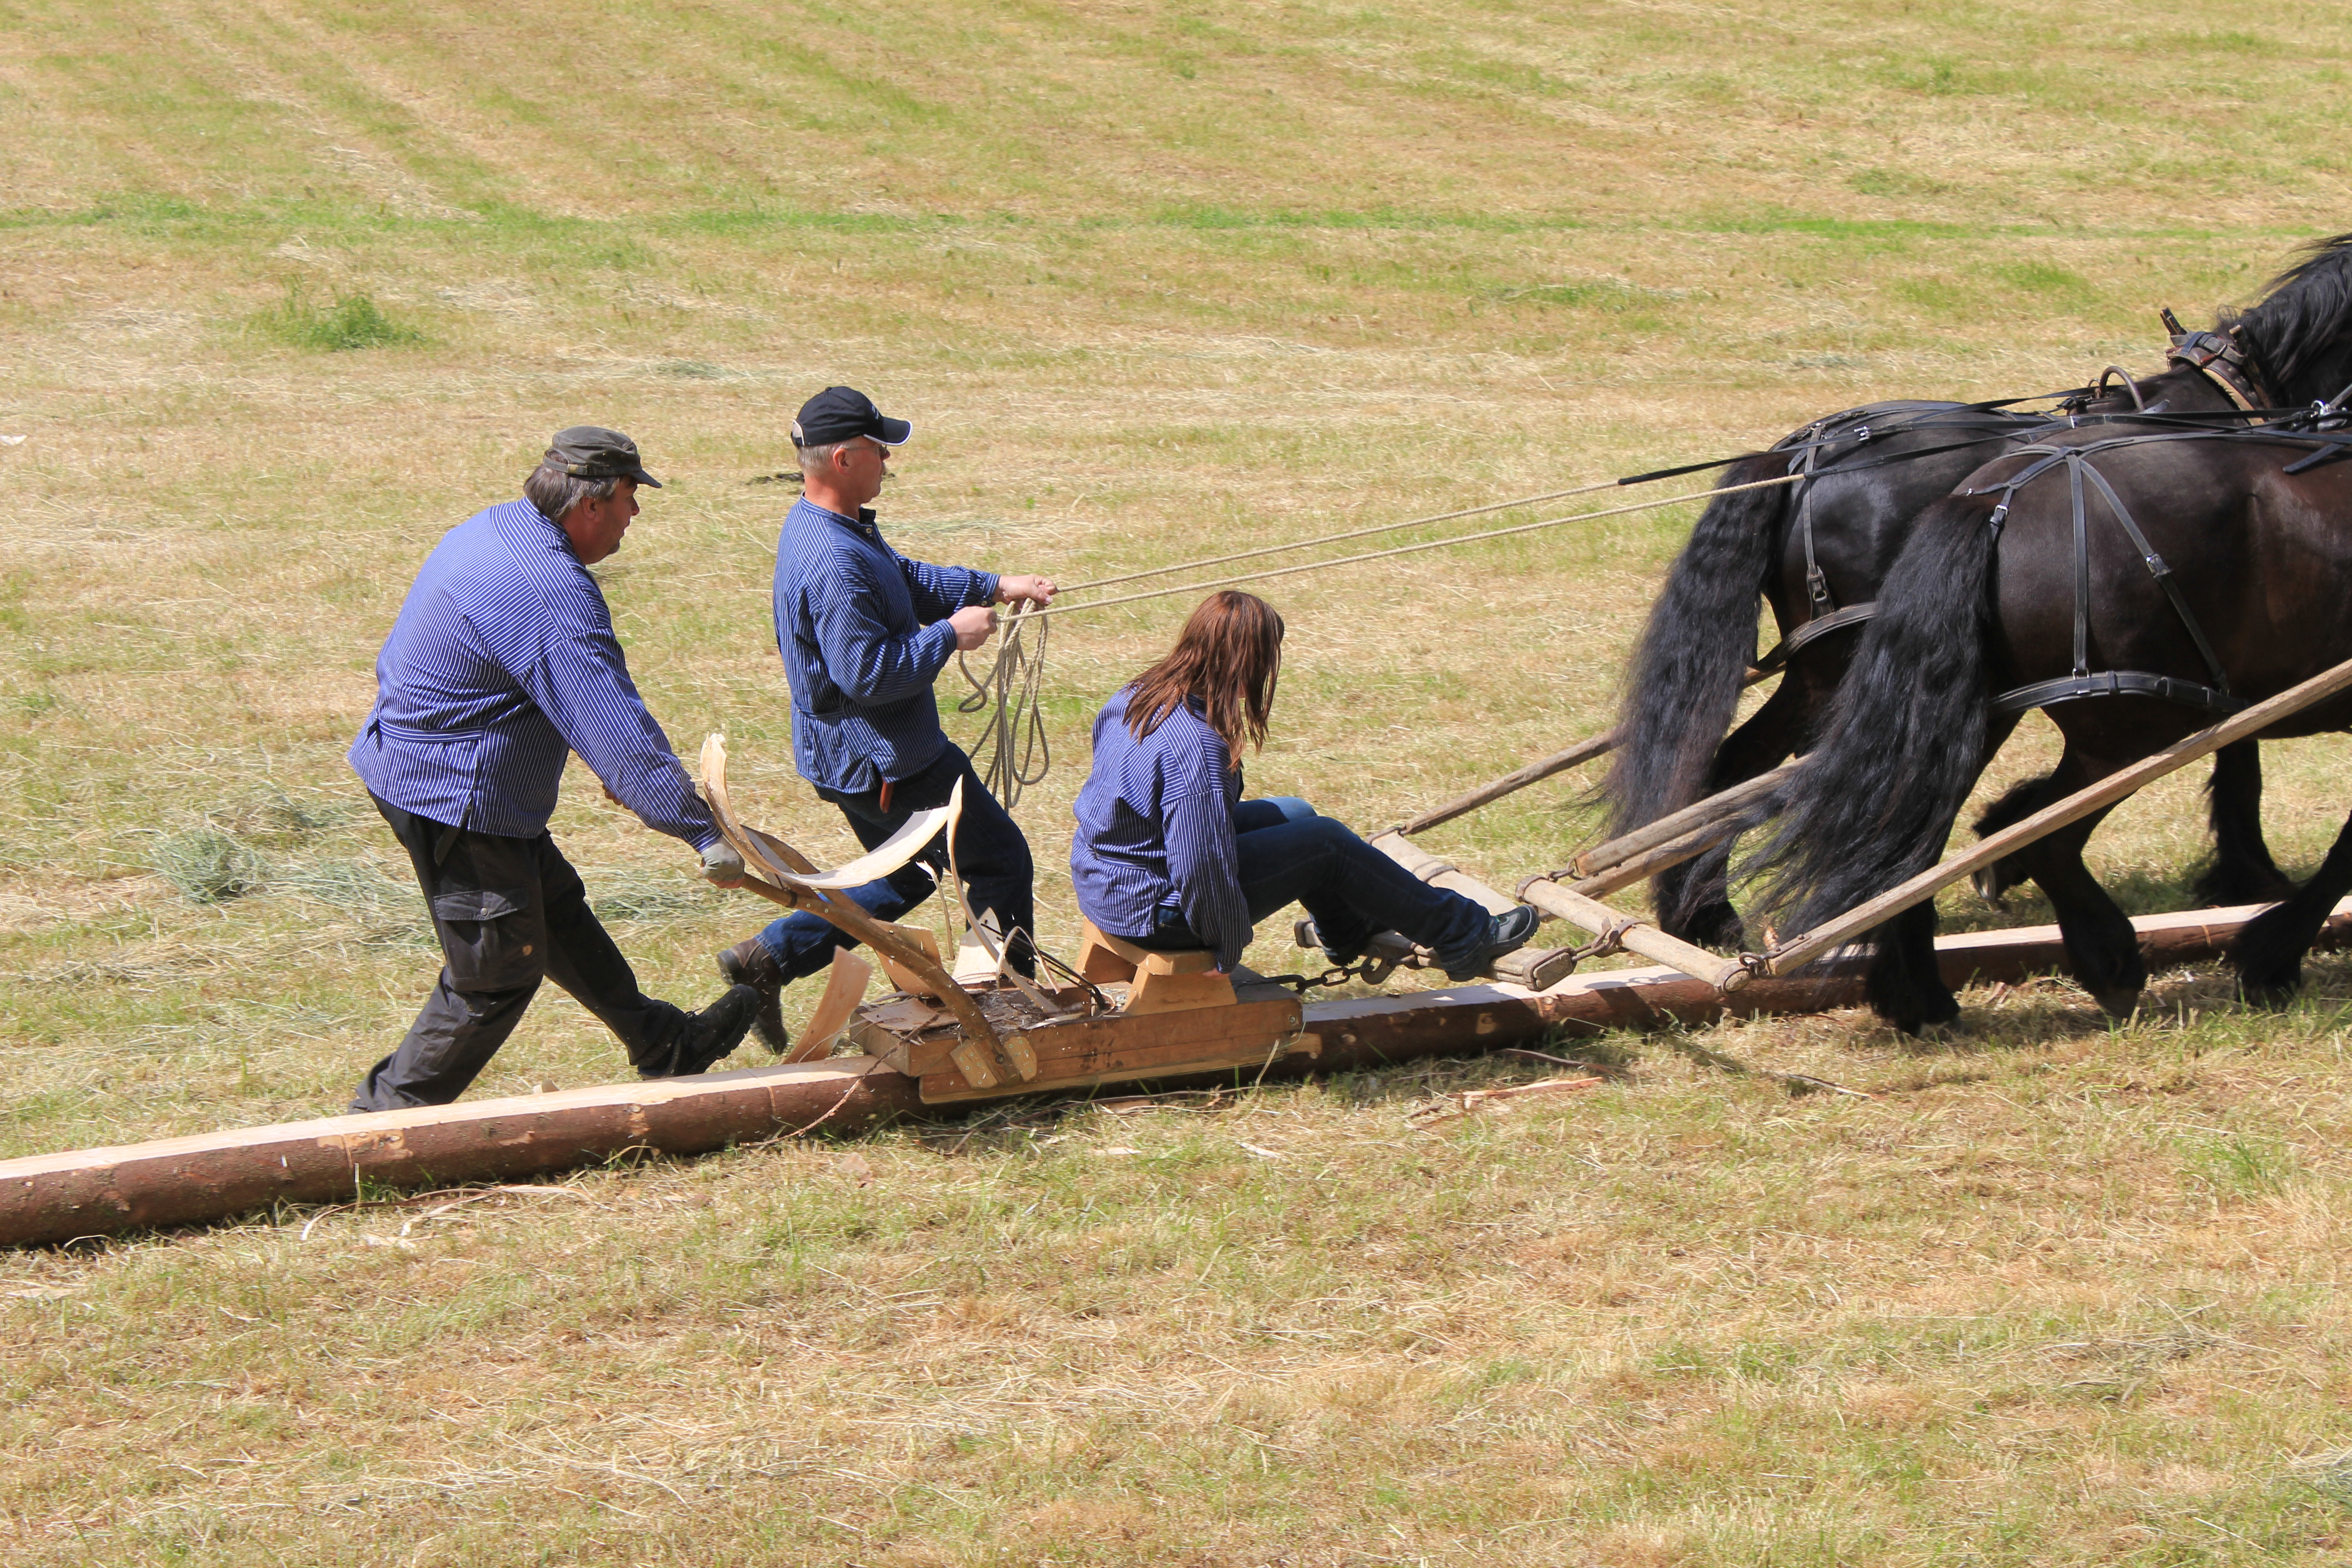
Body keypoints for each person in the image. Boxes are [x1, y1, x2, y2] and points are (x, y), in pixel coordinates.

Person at [346, 427, 760, 1111]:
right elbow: (612, 719)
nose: (637, 512)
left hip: (434, 762)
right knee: (496, 972)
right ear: (590, 505)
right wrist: (700, 832)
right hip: (453, 793)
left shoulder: (495, 528)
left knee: (553, 910)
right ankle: (382, 1128)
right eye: (631, 497)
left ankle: (666, 1046)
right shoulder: (550, 592)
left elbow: (529, 680)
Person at [714, 387, 1058, 1048]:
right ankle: (1009, 1019)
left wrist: (992, 586)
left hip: (849, 757)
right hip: (888, 758)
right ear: (844, 458)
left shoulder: (825, 524)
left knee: (906, 874)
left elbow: (897, 578)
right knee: (998, 861)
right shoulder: (836, 559)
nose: (889, 459)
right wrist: (949, 636)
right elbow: (868, 675)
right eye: (880, 449)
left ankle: (768, 958)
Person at [1069, 590, 1540, 980]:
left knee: (1295, 813)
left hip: (1107, 880)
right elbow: (1202, 867)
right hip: (1157, 911)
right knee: (1326, 843)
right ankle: (1463, 934)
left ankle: (1344, 932)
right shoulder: (1195, 748)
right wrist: (1226, 947)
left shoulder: (1138, 693)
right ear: (1247, 664)